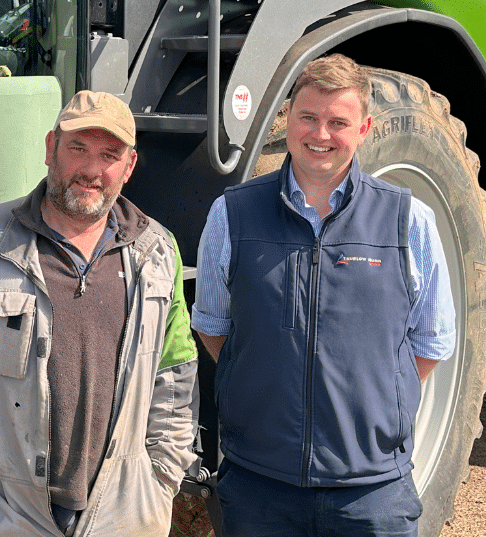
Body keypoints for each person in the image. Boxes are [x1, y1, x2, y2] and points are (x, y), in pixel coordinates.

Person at [0, 90, 198, 537]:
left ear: (129, 167)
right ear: (49, 148)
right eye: (77, 148)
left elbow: (174, 384)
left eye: (109, 155)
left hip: (124, 517)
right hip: (1, 517)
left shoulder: (157, 252)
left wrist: (159, 481)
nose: (92, 170)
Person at [193, 54, 456, 537]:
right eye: (308, 117)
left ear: (365, 128)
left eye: (339, 122)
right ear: (287, 117)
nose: (320, 135)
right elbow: (212, 324)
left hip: (371, 491)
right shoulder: (231, 215)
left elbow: (432, 341)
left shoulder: (408, 220)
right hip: (259, 484)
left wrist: (371, 399)